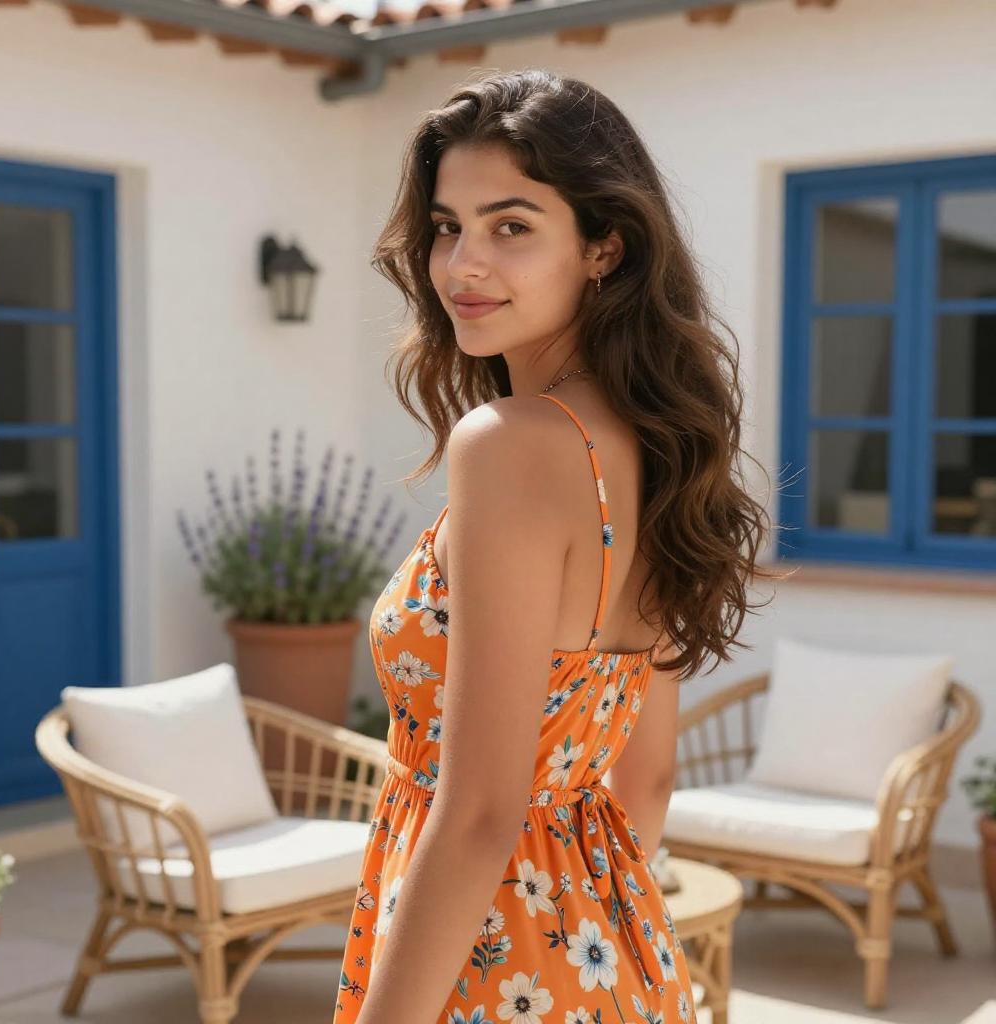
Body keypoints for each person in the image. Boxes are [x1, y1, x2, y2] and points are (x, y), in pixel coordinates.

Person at [332, 68, 781, 1024]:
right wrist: (577, 918)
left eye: (512, 226)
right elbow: (645, 778)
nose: (462, 265)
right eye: (448, 226)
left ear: (604, 247)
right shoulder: (658, 448)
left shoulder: (511, 445)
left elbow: (482, 811)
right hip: (606, 951)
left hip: (491, 971)